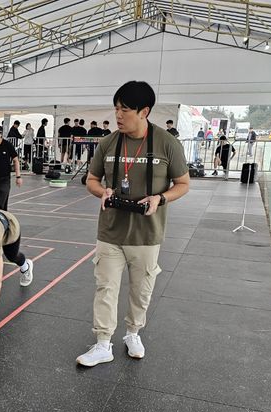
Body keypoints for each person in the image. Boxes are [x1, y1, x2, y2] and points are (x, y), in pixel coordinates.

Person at [76, 80, 190, 367]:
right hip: (110, 231)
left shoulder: (167, 143)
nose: (118, 115)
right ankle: (103, 342)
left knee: (141, 290)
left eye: (125, 110)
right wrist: (103, 191)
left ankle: (132, 333)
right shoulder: (108, 142)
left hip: (147, 234)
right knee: (105, 288)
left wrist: (160, 199)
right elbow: (91, 180)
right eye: (116, 108)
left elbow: (183, 183)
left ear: (144, 111)